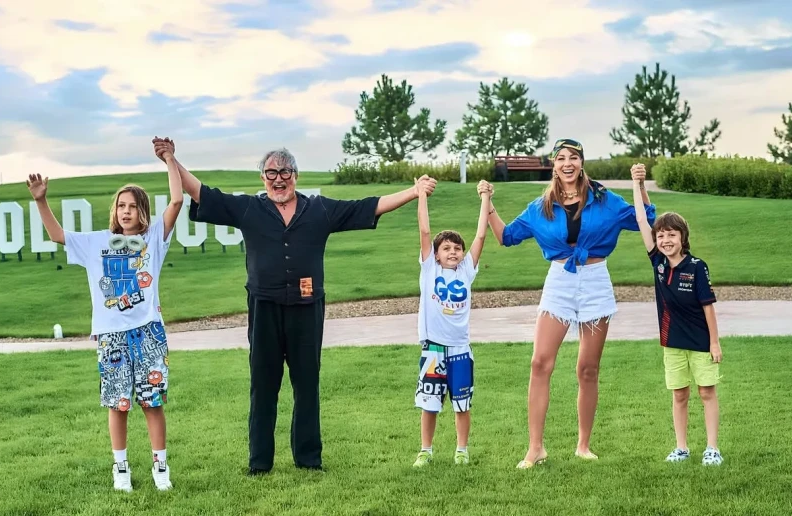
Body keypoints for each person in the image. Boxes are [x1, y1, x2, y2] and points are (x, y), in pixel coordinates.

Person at [151, 137, 436, 475]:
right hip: (264, 307)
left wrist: (413, 191)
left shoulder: (319, 209)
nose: (278, 179)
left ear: (295, 176)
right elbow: (201, 193)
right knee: (263, 386)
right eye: (271, 173)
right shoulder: (249, 208)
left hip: (307, 309)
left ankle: (308, 459)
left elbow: (369, 206)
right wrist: (171, 159)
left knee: (307, 384)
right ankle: (260, 462)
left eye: (285, 172)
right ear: (263, 178)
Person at [477, 138, 656, 468]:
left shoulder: (604, 199)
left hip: (596, 281)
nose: (567, 163)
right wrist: (487, 203)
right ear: (554, 165)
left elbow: (645, 218)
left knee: (588, 369)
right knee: (539, 363)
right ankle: (535, 448)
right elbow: (506, 236)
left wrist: (640, 185)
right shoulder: (540, 207)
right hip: (559, 281)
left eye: (573, 157)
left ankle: (583, 445)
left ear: (582, 162)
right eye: (561, 158)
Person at [26, 144, 184, 492]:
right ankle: (121, 467)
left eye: (133, 206)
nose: (126, 211)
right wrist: (41, 200)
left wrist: (170, 160)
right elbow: (57, 235)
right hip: (111, 335)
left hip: (148, 333)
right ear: (115, 210)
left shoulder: (153, 240)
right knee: (118, 404)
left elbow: (176, 201)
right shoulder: (97, 243)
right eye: (121, 205)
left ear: (143, 212)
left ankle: (160, 466)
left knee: (152, 403)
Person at [630, 163, 724, 466]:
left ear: (683, 237)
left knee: (706, 392)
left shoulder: (697, 267)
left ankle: (712, 448)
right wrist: (638, 184)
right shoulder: (657, 263)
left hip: (700, 342)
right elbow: (641, 219)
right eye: (661, 236)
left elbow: (708, 306)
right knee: (679, 395)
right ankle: (681, 448)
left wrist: (714, 342)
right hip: (671, 342)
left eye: (671, 234)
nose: (665, 240)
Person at [412, 176, 490, 467]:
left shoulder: (466, 271)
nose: (453, 252)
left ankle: (461, 450)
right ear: (435, 254)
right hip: (433, 349)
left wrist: (485, 198)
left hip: (460, 349)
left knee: (462, 404)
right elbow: (424, 230)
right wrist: (421, 195)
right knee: (429, 405)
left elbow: (480, 237)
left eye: (457, 248)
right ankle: (426, 450)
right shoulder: (429, 270)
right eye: (446, 248)